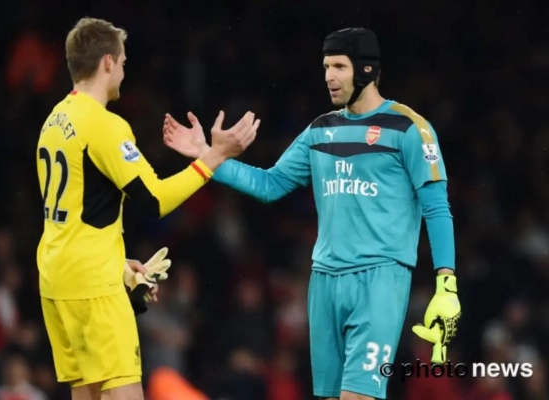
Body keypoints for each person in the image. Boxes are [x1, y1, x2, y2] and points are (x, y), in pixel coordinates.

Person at [163, 28, 461, 400]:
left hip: (379, 281)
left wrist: (446, 283)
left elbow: (437, 207)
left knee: (358, 395)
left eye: (339, 66)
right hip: (324, 281)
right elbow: (270, 184)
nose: (328, 77)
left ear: (367, 70)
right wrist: (208, 156)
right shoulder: (320, 130)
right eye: (325, 67)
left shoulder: (410, 129)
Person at [36, 17, 259, 400]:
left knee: (86, 394)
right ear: (108, 62)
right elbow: (155, 200)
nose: (124, 71)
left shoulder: (54, 120)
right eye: (123, 62)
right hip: (93, 288)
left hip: (57, 281)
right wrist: (214, 157)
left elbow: (76, 211)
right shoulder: (104, 125)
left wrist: (118, 265)